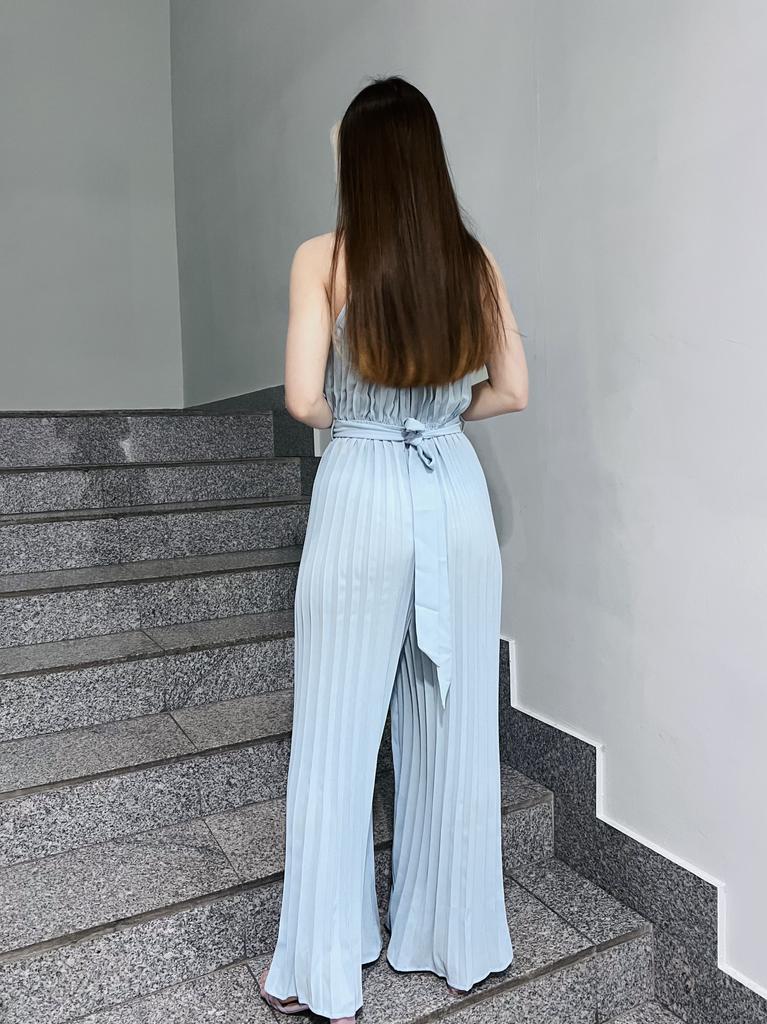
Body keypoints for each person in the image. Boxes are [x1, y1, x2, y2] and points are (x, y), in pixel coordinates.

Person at [258, 75, 528, 1022]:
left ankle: (324, 966)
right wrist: (436, 415)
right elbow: (513, 389)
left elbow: (302, 399)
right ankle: (452, 938)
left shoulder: (322, 258)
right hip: (450, 488)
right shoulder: (472, 262)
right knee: (452, 724)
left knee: (335, 732)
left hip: (364, 488)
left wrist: (368, 418)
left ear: (363, 164)